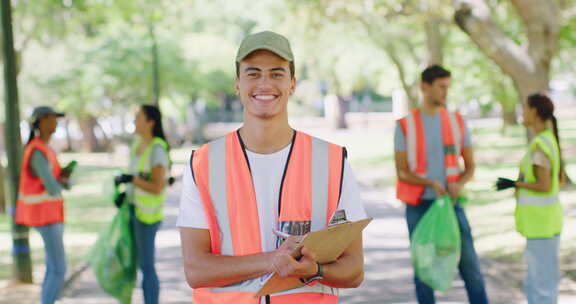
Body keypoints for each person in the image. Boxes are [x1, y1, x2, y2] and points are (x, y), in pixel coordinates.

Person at [177, 31, 368, 304]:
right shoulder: (203, 164)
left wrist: (314, 270)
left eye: (277, 73)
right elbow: (196, 270)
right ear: (237, 84)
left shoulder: (332, 161)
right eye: (253, 73)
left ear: (292, 83)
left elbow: (354, 271)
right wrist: (273, 261)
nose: (264, 83)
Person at [394, 65, 489, 304]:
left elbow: (470, 166)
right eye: (441, 87)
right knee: (423, 269)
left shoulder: (457, 122)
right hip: (419, 206)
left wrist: (460, 183)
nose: (446, 92)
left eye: (448, 87)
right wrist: (429, 182)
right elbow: (402, 171)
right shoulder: (405, 125)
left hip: (451, 204)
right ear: (425, 86)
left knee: (470, 266)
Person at [495, 93, 564, 304]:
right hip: (544, 223)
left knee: (540, 286)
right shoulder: (548, 140)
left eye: (524, 108)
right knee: (539, 282)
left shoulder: (540, 145)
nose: (522, 113)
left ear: (534, 112)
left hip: (541, 224)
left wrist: (515, 184)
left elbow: (543, 185)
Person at [15, 106, 74, 304]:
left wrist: (62, 179)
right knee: (58, 268)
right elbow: (51, 186)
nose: (56, 122)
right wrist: (61, 181)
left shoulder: (46, 148)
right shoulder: (37, 150)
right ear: (41, 121)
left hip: (50, 215)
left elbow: (56, 183)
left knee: (53, 267)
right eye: (52, 118)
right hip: (44, 216)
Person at [114, 105, 171, 304]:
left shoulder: (157, 148)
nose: (134, 121)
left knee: (147, 266)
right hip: (133, 210)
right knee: (137, 265)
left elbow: (157, 186)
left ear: (150, 122)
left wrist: (132, 180)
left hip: (148, 216)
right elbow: (136, 176)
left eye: (138, 118)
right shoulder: (137, 144)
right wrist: (124, 191)